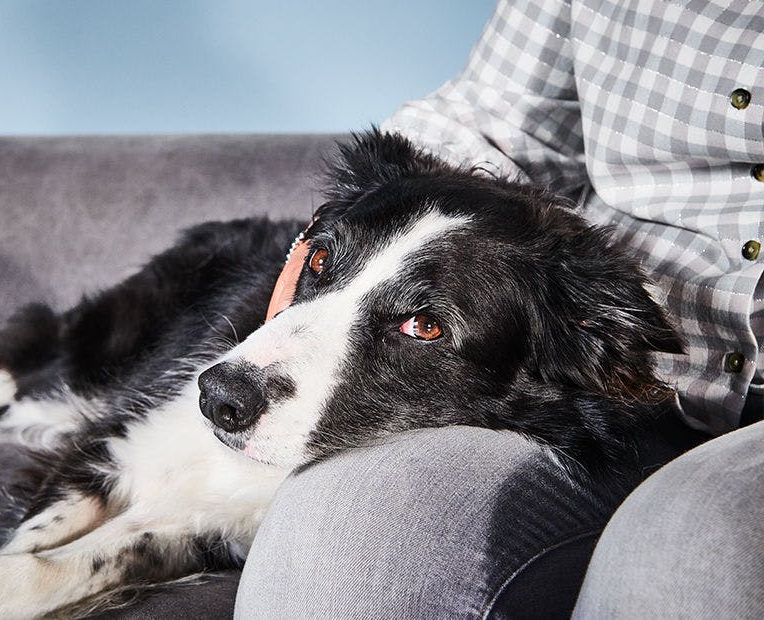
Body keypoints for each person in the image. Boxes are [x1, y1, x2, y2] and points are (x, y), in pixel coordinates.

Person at [234, 1, 763, 617]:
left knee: (682, 555)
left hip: (608, 347)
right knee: (336, 542)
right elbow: (489, 124)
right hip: (614, 389)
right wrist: (325, 246)